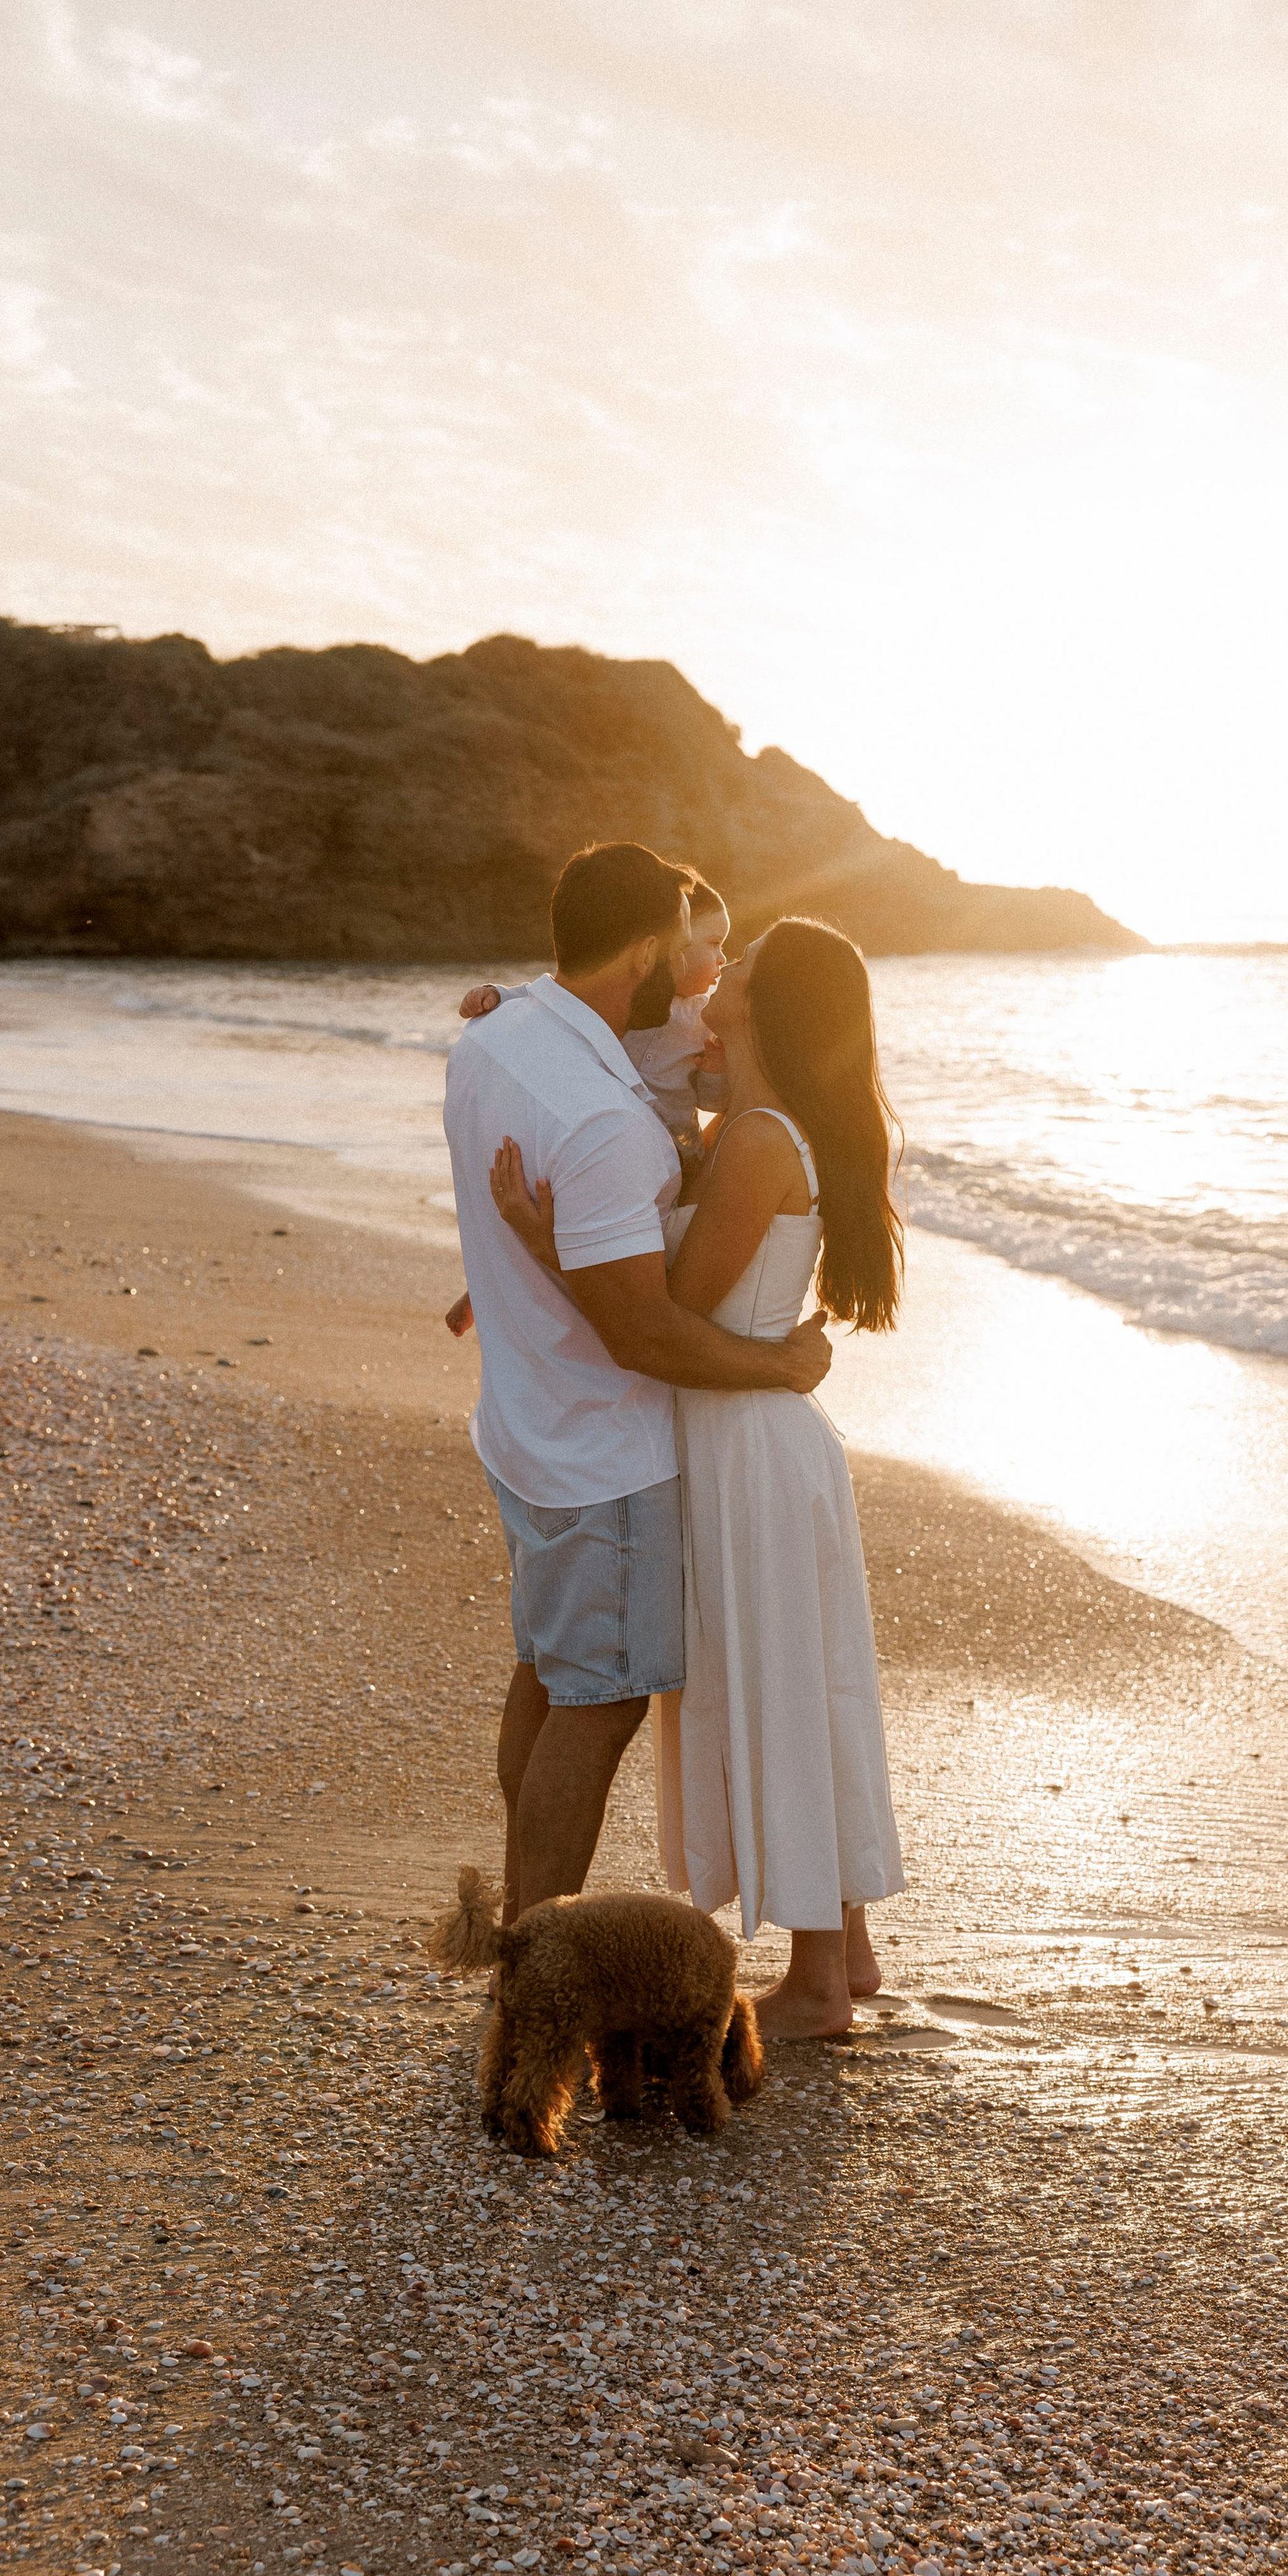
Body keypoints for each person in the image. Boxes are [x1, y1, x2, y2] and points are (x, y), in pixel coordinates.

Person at [492, 915, 906, 2039]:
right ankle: (847, 1950)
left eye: (741, 972)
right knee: (805, 1686)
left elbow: (661, 1306)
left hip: (748, 1449)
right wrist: (508, 1023)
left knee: (783, 1690)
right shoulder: (748, 1128)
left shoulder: (762, 1139)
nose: (714, 984)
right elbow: (620, 1076)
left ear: (769, 1007)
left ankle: (819, 1986)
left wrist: (540, 1247)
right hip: (758, 1440)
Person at [443, 844, 833, 1930]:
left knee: (548, 1678)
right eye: (691, 946)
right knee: (598, 1704)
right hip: (600, 1451)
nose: (703, 973)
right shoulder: (606, 1118)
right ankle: (539, 1975)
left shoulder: (495, 1039)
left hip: (524, 1424)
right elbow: (641, 1332)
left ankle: (519, 1943)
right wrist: (780, 1364)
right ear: (649, 946)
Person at [443, 877, 731, 1340]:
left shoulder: (704, 1017)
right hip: (609, 1139)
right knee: (563, 1215)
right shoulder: (632, 997)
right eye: (712, 943)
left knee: (650, 1244)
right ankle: (488, 1282)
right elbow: (557, 998)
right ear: (657, 949)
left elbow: (715, 1100)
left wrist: (717, 1068)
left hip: (677, 1150)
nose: (721, 958)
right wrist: (500, 994)